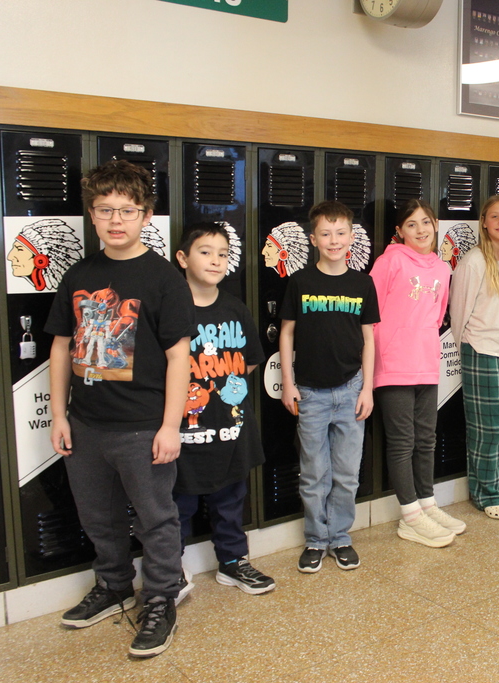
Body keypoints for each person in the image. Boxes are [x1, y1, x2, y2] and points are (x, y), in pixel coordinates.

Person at [46, 160, 194, 658]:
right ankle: (112, 587)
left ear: (145, 216)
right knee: (98, 517)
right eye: (105, 210)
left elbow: (179, 356)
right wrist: (60, 415)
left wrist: (170, 425)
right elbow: (62, 347)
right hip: (87, 425)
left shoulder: (163, 278)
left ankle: (160, 599)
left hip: (141, 428)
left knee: (155, 518)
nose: (116, 220)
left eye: (126, 211)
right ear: (91, 215)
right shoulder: (79, 274)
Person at [174, 222, 275, 594]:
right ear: (183, 258)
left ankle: (232, 562)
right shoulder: (171, 309)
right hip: (182, 433)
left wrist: (221, 385)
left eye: (222, 254)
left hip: (231, 429)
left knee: (231, 502)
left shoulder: (235, 307)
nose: (215, 261)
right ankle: (171, 569)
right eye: (205, 252)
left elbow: (248, 362)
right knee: (177, 505)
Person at [279, 200, 379, 572]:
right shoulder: (300, 282)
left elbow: (368, 339)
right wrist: (288, 384)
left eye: (340, 233)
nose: (333, 240)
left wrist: (367, 388)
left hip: (351, 389)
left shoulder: (362, 283)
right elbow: (286, 334)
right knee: (314, 472)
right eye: (325, 233)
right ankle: (316, 540)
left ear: (351, 237)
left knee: (346, 472)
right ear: (313, 239)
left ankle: (340, 537)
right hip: (310, 393)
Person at [371, 199, 465, 547]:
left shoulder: (442, 269)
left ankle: (427, 503)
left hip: (427, 363)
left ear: (435, 224)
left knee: (426, 438)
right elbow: (371, 311)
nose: (421, 230)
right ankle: (410, 516)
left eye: (425, 222)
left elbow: (438, 315)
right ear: (400, 231)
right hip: (393, 364)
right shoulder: (390, 260)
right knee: (401, 441)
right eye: (411, 224)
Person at [449, 195, 499, 520]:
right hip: (481, 349)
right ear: (483, 221)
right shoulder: (474, 261)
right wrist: (467, 346)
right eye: (494, 216)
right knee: (490, 429)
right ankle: (485, 492)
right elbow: (458, 313)